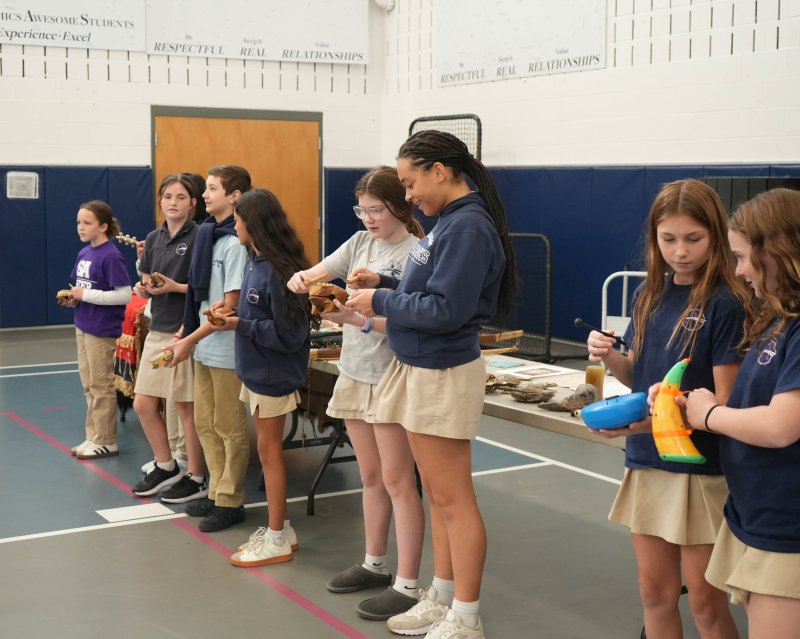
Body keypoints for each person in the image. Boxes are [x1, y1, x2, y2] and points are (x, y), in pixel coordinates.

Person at [346, 131, 517, 639]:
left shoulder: (466, 228)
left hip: (443, 370)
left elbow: (446, 311)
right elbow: (432, 292)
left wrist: (378, 304)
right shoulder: (448, 225)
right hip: (421, 367)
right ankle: (441, 594)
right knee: (440, 497)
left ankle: (465, 614)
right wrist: (388, 286)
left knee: (454, 499)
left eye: (410, 181)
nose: (409, 194)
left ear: (440, 171)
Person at [586, 179, 744, 638]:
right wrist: (610, 355)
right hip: (649, 463)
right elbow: (640, 376)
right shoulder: (649, 295)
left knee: (705, 603)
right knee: (654, 594)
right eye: (667, 239)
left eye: (692, 239)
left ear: (715, 233)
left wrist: (650, 419)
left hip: (701, 470)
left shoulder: (726, 303)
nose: (679, 251)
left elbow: (725, 406)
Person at [287, 166, 426, 620]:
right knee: (370, 477)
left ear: (400, 207)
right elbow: (320, 270)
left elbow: (409, 320)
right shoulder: (360, 242)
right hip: (354, 371)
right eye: (362, 209)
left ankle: (407, 583)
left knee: (398, 480)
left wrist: (360, 320)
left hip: (390, 375)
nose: (368, 218)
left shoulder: (417, 254)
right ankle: (374, 563)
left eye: (376, 210)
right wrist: (301, 277)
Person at [676, 188, 800, 638]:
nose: (739, 269)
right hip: (757, 513)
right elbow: (751, 408)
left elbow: (780, 426)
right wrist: (685, 407)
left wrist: (708, 415)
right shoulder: (777, 319)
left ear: (780, 254)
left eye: (744, 256)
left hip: (787, 527)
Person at [204, 188, 311, 566]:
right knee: (267, 455)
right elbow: (254, 318)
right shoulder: (255, 261)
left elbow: (290, 336)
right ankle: (282, 527)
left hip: (272, 375)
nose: (234, 225)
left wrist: (240, 325)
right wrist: (231, 317)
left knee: (269, 457)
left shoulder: (280, 273)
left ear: (255, 223)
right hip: (255, 372)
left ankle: (278, 536)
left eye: (238, 220)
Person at [167, 165, 250, 533]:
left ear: (235, 196)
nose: (205, 195)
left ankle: (231, 500)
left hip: (227, 350)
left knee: (230, 427)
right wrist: (189, 330)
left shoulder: (235, 242)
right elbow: (202, 294)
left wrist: (189, 339)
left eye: (212, 188)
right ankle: (216, 491)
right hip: (205, 347)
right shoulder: (209, 236)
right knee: (206, 423)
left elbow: (229, 305)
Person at [130, 173, 207, 503]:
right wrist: (143, 286)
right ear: (159, 201)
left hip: (184, 331)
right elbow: (147, 277)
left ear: (192, 203)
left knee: (186, 408)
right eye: (167, 197)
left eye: (180, 197)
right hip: (158, 328)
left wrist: (174, 287)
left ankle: (197, 476)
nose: (172, 203)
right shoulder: (154, 237)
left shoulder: (200, 236)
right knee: (143, 402)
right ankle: (166, 465)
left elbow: (206, 288)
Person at [67, 200, 132, 459]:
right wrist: (75, 297)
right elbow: (81, 286)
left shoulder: (111, 255)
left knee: (102, 385)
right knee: (88, 384)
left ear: (103, 226)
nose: (81, 227)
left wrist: (87, 294)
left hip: (101, 330)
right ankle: (93, 437)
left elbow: (124, 295)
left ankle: (107, 440)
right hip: (83, 324)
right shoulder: (85, 253)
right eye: (79, 222)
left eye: (87, 223)